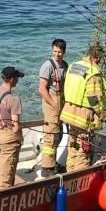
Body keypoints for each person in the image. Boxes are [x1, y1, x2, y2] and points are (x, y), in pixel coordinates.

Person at [60, 43, 106, 172]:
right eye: (100, 58)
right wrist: (103, 114)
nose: (100, 61)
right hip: (83, 118)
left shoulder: (73, 66)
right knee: (84, 150)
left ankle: (69, 173)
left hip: (69, 114)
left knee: (73, 146)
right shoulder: (93, 73)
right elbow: (94, 98)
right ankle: (78, 177)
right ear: (96, 56)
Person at [37, 39, 68, 177]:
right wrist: (52, 103)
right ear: (52, 50)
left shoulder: (65, 65)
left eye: (60, 52)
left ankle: (52, 163)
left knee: (59, 134)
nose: (57, 54)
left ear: (64, 52)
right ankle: (47, 167)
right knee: (51, 135)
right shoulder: (47, 65)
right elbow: (42, 89)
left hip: (61, 99)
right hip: (51, 100)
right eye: (55, 51)